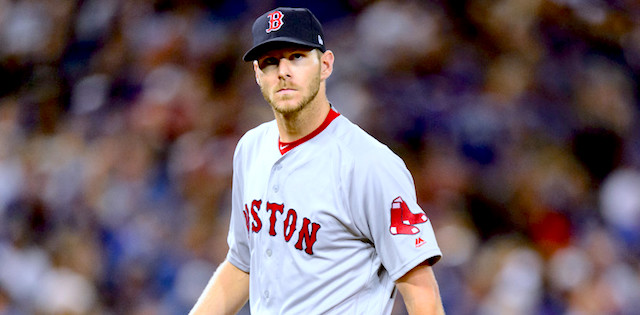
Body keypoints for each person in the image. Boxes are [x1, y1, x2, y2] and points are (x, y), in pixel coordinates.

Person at [190, 7, 445, 315]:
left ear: (325, 65)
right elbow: (242, 266)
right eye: (270, 62)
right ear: (258, 74)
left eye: (297, 57)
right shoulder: (250, 148)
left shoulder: (369, 163)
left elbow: (420, 291)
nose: (283, 71)